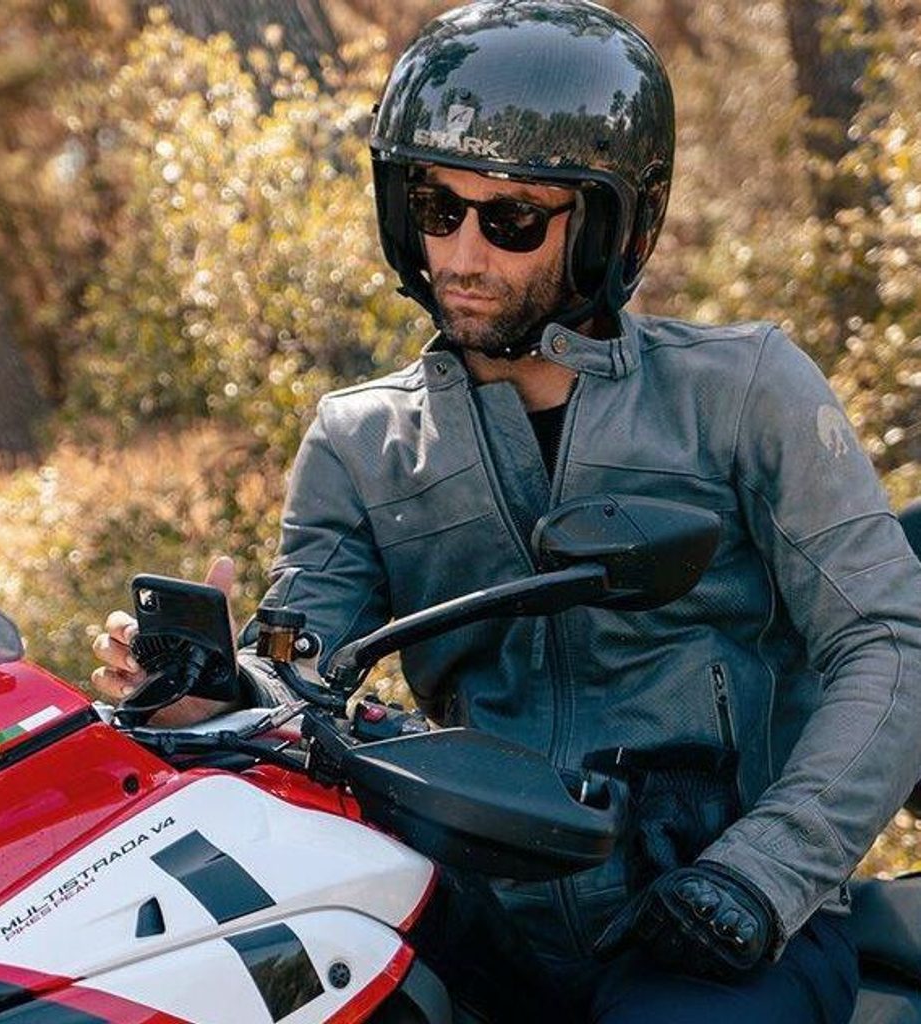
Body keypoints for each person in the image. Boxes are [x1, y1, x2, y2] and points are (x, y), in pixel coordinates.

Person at [92, 2, 921, 1021]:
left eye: (512, 219)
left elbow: (890, 641)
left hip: (727, 918)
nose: (462, 252)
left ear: (615, 225)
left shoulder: (742, 391)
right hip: (485, 916)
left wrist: (762, 872)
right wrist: (210, 688)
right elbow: (301, 667)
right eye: (436, 208)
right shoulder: (360, 441)